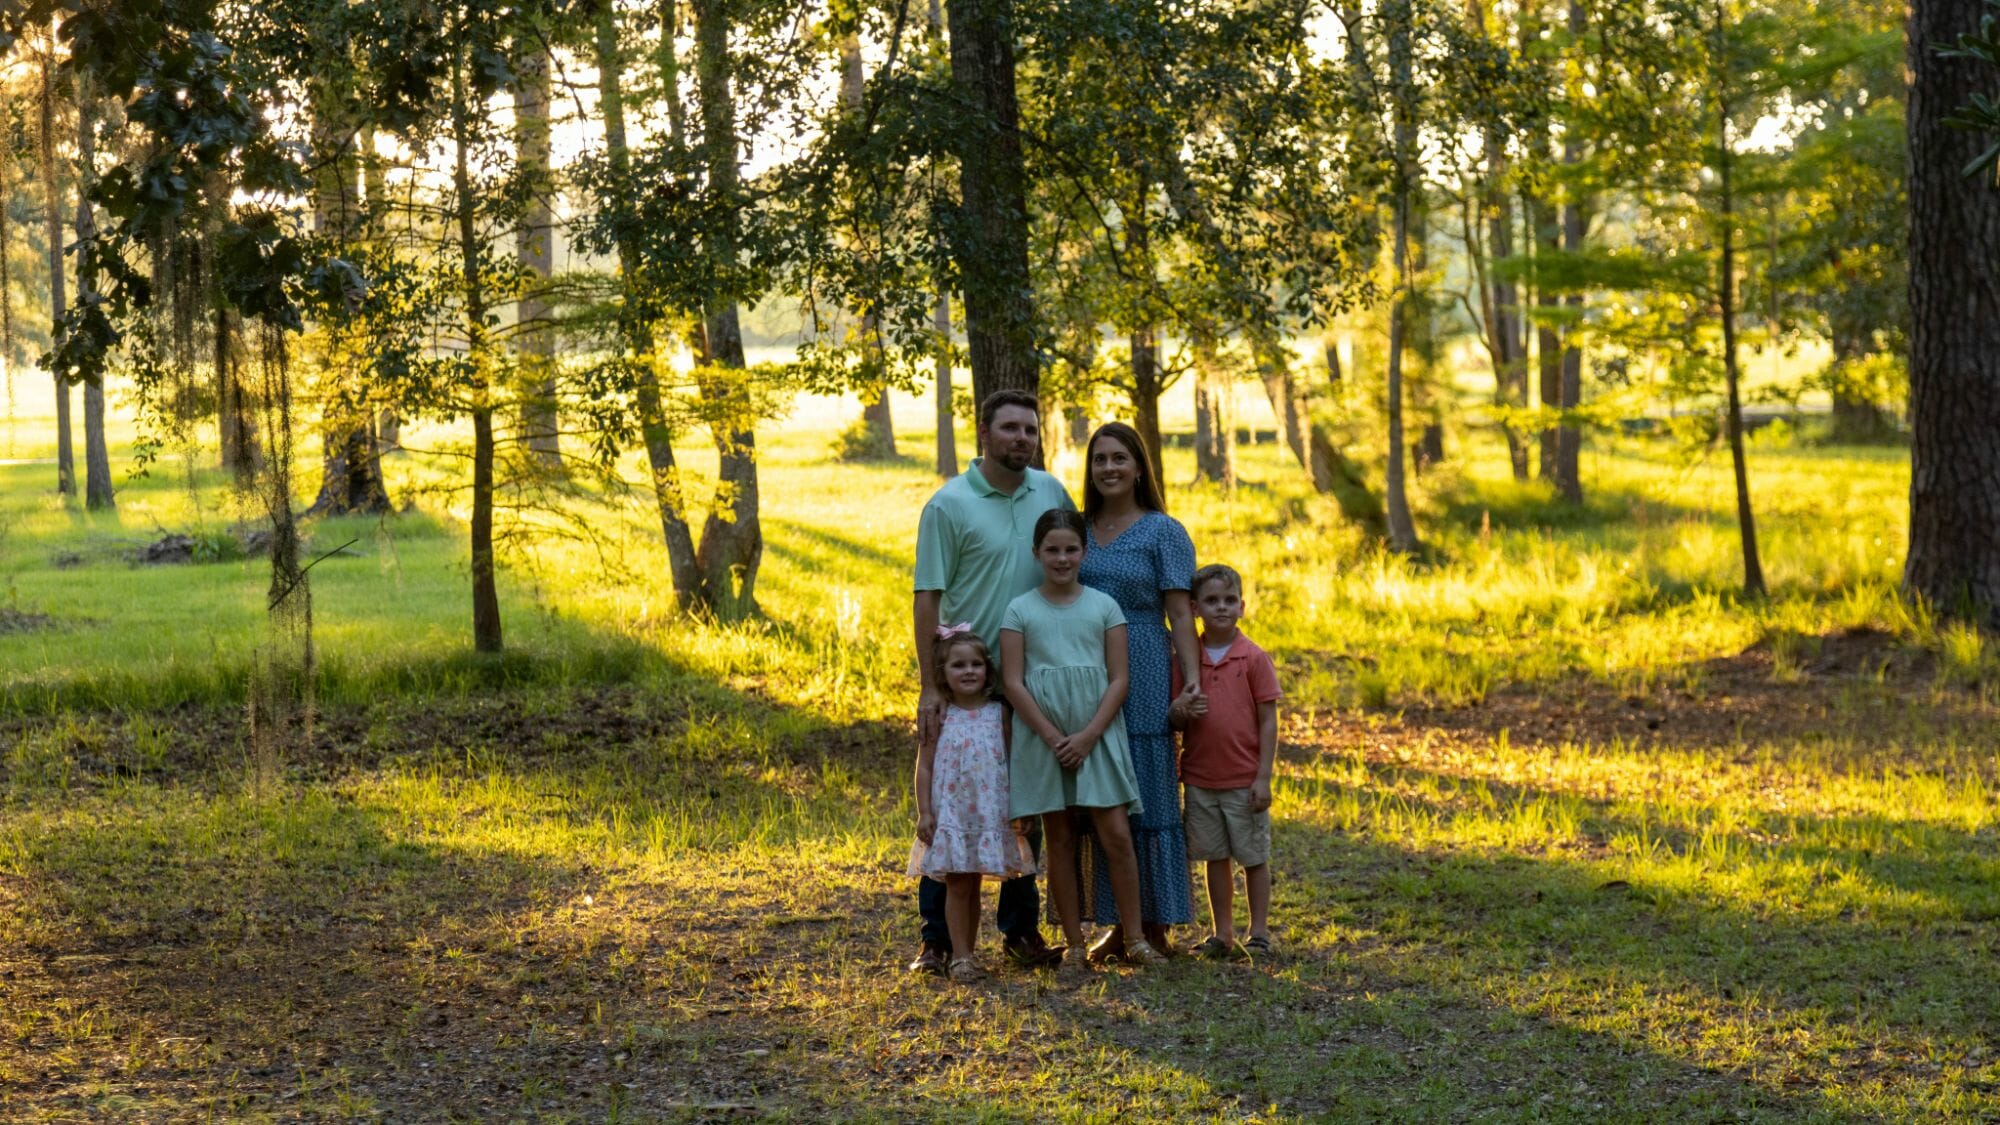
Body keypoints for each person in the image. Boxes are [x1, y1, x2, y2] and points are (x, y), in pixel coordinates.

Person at [910, 389, 1071, 975]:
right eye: (1009, 428)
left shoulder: (1050, 492)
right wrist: (932, 685)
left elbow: (1071, 562)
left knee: (1022, 805)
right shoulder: (948, 505)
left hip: (1033, 678)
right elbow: (927, 598)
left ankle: (1021, 929)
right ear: (984, 432)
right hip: (969, 680)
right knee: (952, 805)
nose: (1021, 438)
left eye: (1029, 428)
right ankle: (937, 939)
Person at [1002, 509, 1165, 976]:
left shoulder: (1103, 606)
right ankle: (1074, 944)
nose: (1062, 558)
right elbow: (1013, 682)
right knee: (1060, 839)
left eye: (1071, 549)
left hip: (1098, 735)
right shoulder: (1020, 610)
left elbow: (1119, 679)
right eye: (1052, 550)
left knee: (1116, 834)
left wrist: (1089, 735)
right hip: (1045, 740)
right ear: (1036, 553)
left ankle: (1134, 937)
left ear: (1084, 553)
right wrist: (1054, 737)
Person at [1074, 422, 1200, 961]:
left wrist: (1191, 678)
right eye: (1100, 459)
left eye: (1119, 458)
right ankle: (1116, 924)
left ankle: (1154, 923)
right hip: (1086, 668)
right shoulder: (1078, 529)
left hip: (1145, 663)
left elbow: (1180, 612)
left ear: (1139, 467)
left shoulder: (1163, 531)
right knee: (1104, 801)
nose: (1109, 468)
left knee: (1147, 793)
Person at [1168, 563, 1282, 959]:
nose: (1222, 607)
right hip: (1200, 778)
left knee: (1253, 857)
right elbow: (1175, 716)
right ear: (1195, 608)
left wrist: (1263, 777)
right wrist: (1181, 710)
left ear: (1242, 607)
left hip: (1243, 779)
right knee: (1214, 857)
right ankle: (1223, 933)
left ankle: (1259, 932)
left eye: (1230, 600)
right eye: (1212, 600)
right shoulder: (1188, 659)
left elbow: (1268, 721)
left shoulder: (1253, 658)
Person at [909, 626, 1036, 983]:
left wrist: (1021, 806)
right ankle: (960, 955)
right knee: (957, 885)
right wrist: (925, 812)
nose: (968, 671)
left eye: (975, 664)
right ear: (943, 673)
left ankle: (968, 953)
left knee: (974, 884)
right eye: (958, 665)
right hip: (952, 815)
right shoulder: (940, 715)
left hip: (988, 814)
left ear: (987, 669)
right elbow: (925, 766)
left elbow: (1012, 762)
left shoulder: (999, 714)